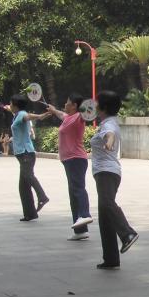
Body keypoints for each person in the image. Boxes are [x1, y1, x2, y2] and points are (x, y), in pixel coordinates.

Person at [90, 91, 138, 269]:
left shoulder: (108, 124)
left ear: (103, 108)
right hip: (105, 172)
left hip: (106, 173)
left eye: (97, 104)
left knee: (107, 203)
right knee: (104, 217)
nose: (94, 106)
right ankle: (110, 259)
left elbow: (109, 135)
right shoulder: (106, 122)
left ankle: (127, 234)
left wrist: (109, 142)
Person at [44, 94, 94, 240]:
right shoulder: (68, 117)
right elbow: (61, 115)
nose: (65, 104)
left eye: (67, 102)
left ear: (74, 106)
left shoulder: (79, 117)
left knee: (78, 189)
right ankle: (80, 231)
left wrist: (91, 106)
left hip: (76, 159)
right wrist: (53, 110)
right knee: (73, 194)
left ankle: (85, 215)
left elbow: (88, 113)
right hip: (68, 160)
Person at [5, 94, 49, 222]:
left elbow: (27, 116)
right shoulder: (16, 115)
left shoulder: (22, 114)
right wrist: (8, 108)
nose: (10, 105)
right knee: (23, 186)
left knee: (28, 176)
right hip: (22, 154)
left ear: (16, 105)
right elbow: (12, 110)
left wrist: (40, 116)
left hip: (26, 153)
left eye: (11, 103)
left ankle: (42, 196)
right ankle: (30, 214)